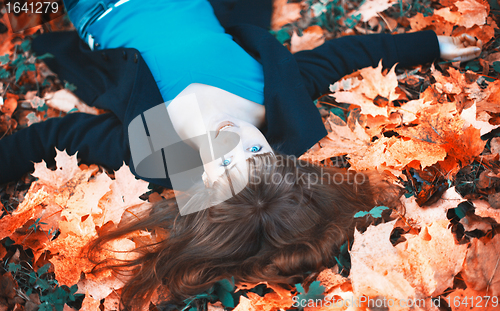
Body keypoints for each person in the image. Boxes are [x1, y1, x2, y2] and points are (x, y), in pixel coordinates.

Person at [0, 0, 482, 309]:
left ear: (200, 189)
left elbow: (48, 138)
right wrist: (430, 43)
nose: (232, 141)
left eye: (223, 167)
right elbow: (340, 55)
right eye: (256, 153)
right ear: (281, 158)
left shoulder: (152, 152)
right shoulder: (276, 100)